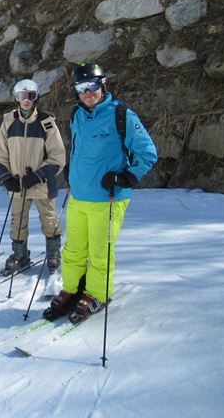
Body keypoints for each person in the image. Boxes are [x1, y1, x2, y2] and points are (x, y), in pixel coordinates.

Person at [44, 63, 157, 324]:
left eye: (93, 85)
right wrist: (73, 170)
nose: (88, 92)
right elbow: (79, 149)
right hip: (78, 196)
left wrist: (126, 176)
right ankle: (72, 289)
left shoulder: (121, 114)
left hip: (107, 198)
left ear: (103, 85)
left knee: (99, 252)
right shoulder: (76, 114)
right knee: (73, 250)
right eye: (82, 88)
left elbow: (147, 152)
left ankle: (97, 293)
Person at [0, 79, 66, 277]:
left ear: (36, 98)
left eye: (30, 97)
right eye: (22, 97)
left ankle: (53, 253)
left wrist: (38, 176)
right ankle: (20, 254)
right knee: (17, 220)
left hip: (41, 183)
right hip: (18, 184)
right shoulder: (9, 122)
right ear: (17, 98)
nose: (26, 101)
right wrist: (6, 177)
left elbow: (58, 157)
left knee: (49, 219)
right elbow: (0, 155)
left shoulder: (46, 122)